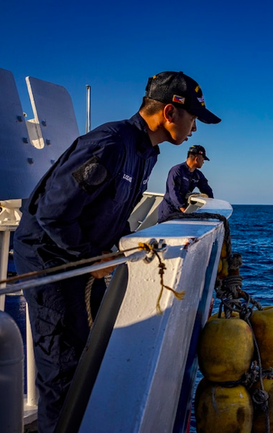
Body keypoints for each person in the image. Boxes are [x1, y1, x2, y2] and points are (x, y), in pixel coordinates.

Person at [12, 70, 220, 433]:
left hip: (82, 260)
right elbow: (51, 213)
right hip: (53, 262)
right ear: (170, 113)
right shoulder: (111, 143)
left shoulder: (146, 154)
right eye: (193, 118)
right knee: (64, 370)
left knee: (96, 351)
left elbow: (111, 212)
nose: (195, 129)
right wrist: (90, 256)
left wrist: (124, 246)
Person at [157, 144, 214, 223]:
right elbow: (173, 191)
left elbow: (207, 190)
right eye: (203, 159)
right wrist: (183, 209)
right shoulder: (177, 170)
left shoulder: (198, 175)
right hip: (168, 212)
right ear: (196, 158)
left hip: (182, 212)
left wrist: (211, 205)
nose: (203, 162)